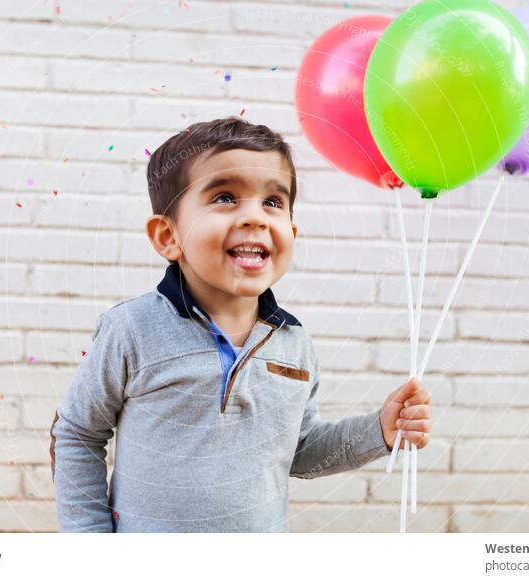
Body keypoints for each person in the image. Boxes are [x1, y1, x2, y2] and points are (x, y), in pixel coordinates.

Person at [50, 116, 432, 532]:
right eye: (225, 197)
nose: (256, 218)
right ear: (167, 236)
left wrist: (379, 430)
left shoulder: (294, 344)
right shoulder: (132, 329)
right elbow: (78, 435)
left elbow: (299, 451)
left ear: (291, 230)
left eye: (273, 202)